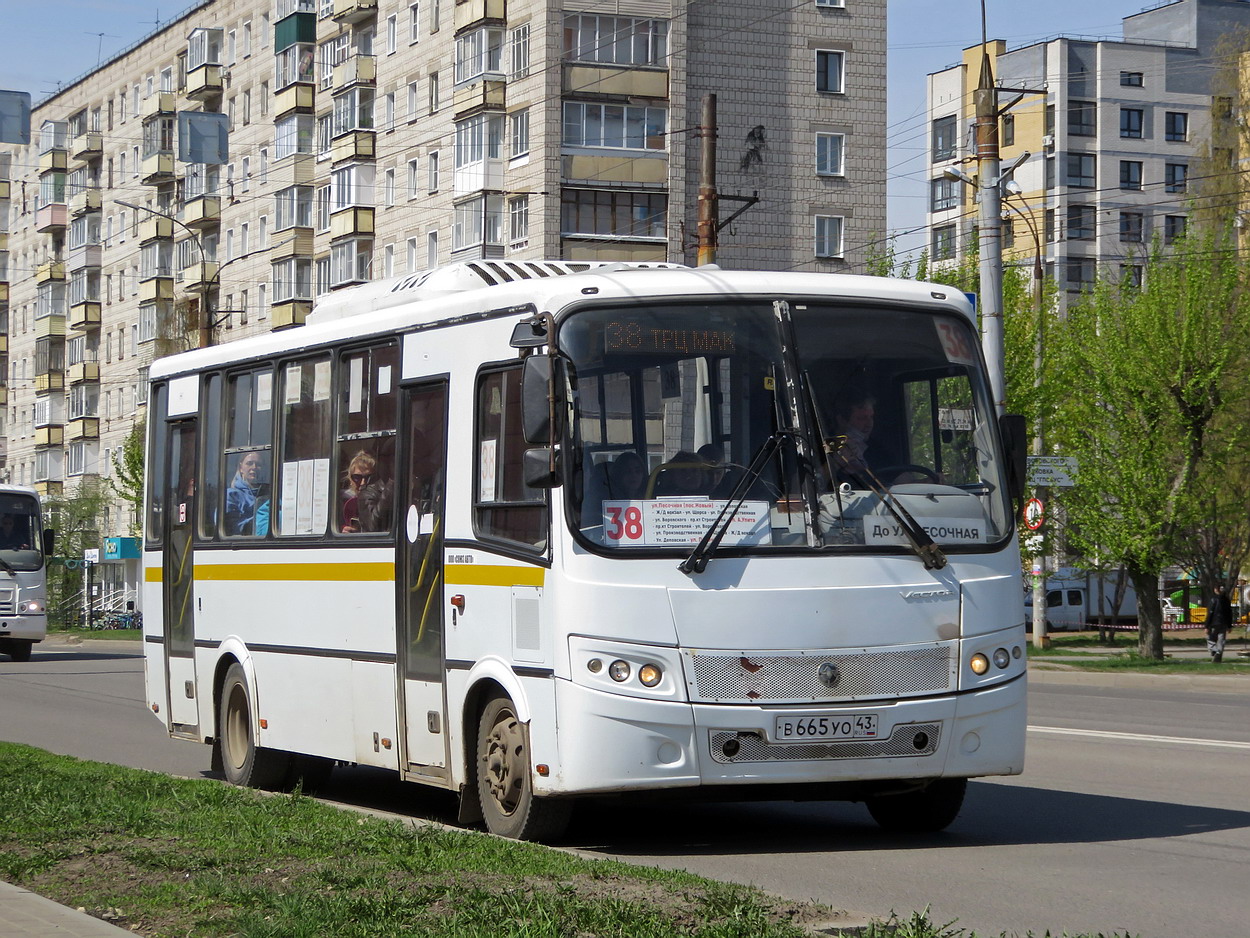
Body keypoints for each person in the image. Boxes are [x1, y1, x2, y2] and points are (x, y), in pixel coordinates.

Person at [832, 391, 876, 485]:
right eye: (861, 418)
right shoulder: (822, 451)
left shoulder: (875, 449)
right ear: (842, 420)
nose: (869, 424)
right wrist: (835, 463)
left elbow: (903, 479)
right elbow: (807, 486)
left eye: (871, 417)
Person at [224, 451, 269, 536]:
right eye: (249, 463)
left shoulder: (271, 495)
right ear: (241, 468)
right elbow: (227, 526)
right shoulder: (230, 495)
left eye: (258, 464)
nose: (254, 467)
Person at [342, 450, 378, 533]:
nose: (363, 483)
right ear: (350, 479)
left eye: (368, 477)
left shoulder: (380, 502)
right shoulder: (342, 503)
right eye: (357, 477)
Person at [1206, 584, 1233, 663]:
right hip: (1224, 623)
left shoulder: (1213, 600)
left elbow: (1210, 613)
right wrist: (1229, 626)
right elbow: (1229, 613)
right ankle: (1219, 653)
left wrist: (1207, 625)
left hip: (1214, 623)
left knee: (1210, 639)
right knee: (1221, 639)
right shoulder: (1226, 600)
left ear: (1216, 590)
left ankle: (1215, 651)